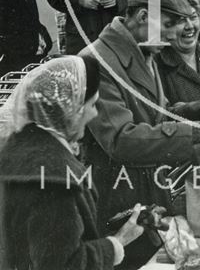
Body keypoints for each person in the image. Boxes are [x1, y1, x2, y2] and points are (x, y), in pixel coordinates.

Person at [80, 0, 200, 256]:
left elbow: (153, 117)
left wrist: (188, 112)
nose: (170, 38)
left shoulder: (143, 48)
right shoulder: (97, 62)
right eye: (166, 27)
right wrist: (197, 132)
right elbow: (121, 139)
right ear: (143, 16)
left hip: (148, 192)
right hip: (115, 197)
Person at [0, 56, 144, 270]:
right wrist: (117, 243)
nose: (95, 113)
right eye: (92, 104)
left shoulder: (19, 150)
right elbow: (64, 264)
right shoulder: (54, 177)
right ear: (70, 108)